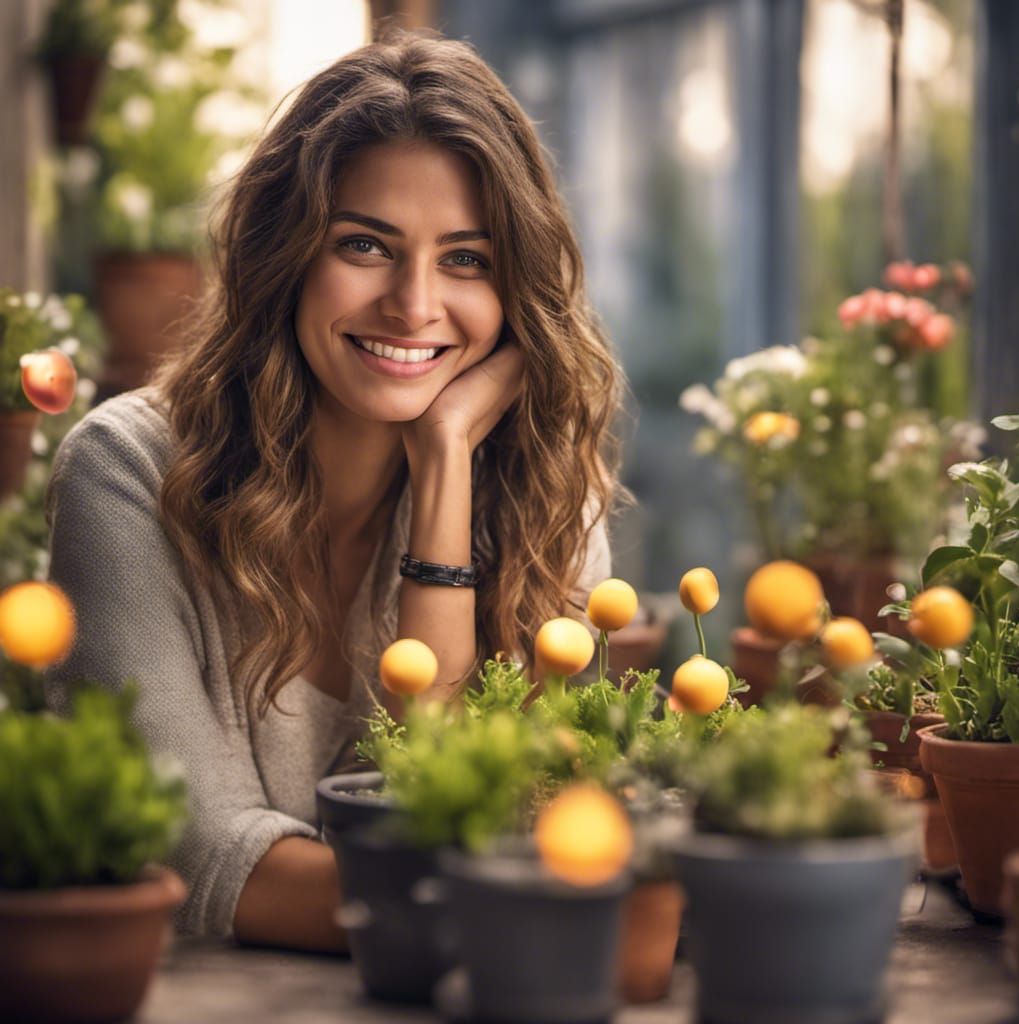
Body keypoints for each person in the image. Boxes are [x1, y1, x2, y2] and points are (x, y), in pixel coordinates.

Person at [44, 26, 626, 952]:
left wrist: (443, 469)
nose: (414, 302)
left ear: (517, 292)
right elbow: (194, 855)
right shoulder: (126, 475)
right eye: (366, 244)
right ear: (288, 257)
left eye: (466, 259)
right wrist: (491, 911)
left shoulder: (549, 494)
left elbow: (472, 815)